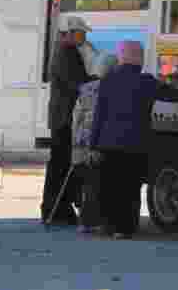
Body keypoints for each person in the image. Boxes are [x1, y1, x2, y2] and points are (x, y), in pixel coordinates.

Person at [90, 40, 161, 239]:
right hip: (135, 144)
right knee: (130, 188)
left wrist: (93, 145)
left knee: (110, 186)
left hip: (108, 143)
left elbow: (99, 115)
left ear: (121, 58)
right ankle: (124, 228)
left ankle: (108, 225)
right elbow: (174, 94)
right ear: (140, 59)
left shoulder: (108, 81)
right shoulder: (147, 82)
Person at [41, 15, 93, 226]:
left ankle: (58, 208)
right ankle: (55, 209)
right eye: (82, 33)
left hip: (60, 117)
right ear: (71, 33)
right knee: (60, 165)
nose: (84, 37)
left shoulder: (64, 50)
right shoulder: (67, 53)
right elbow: (77, 83)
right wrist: (97, 81)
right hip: (64, 118)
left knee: (59, 165)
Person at [72, 52, 118, 235]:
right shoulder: (113, 89)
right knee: (100, 183)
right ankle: (97, 220)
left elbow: (76, 117)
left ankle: (86, 221)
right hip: (99, 142)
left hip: (82, 142)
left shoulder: (85, 89)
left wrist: (75, 143)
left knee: (89, 183)